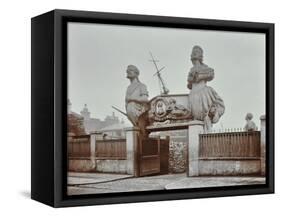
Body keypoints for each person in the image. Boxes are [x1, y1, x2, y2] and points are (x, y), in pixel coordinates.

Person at [187, 46, 225, 132]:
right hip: (194, 95)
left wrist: (199, 76)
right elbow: (189, 84)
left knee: (207, 116)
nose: (193, 59)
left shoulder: (205, 68)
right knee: (197, 119)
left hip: (203, 93)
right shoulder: (191, 70)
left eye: (194, 55)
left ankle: (210, 121)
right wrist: (193, 78)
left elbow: (211, 74)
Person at [125, 65, 149, 134]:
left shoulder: (142, 86)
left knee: (142, 132)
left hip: (139, 114)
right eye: (127, 70)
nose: (128, 71)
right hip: (131, 116)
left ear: (136, 73)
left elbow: (145, 99)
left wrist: (132, 99)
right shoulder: (128, 88)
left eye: (130, 70)